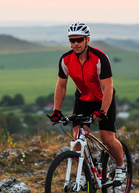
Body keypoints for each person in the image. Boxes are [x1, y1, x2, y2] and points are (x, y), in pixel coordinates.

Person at [49, 22, 125, 182]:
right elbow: (61, 85)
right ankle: (83, 173)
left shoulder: (100, 58)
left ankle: (120, 168)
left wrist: (103, 111)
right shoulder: (66, 59)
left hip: (104, 99)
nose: (75, 43)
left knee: (108, 139)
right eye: (72, 40)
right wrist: (57, 110)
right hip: (83, 99)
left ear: (87, 40)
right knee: (77, 138)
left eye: (79, 40)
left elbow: (108, 87)